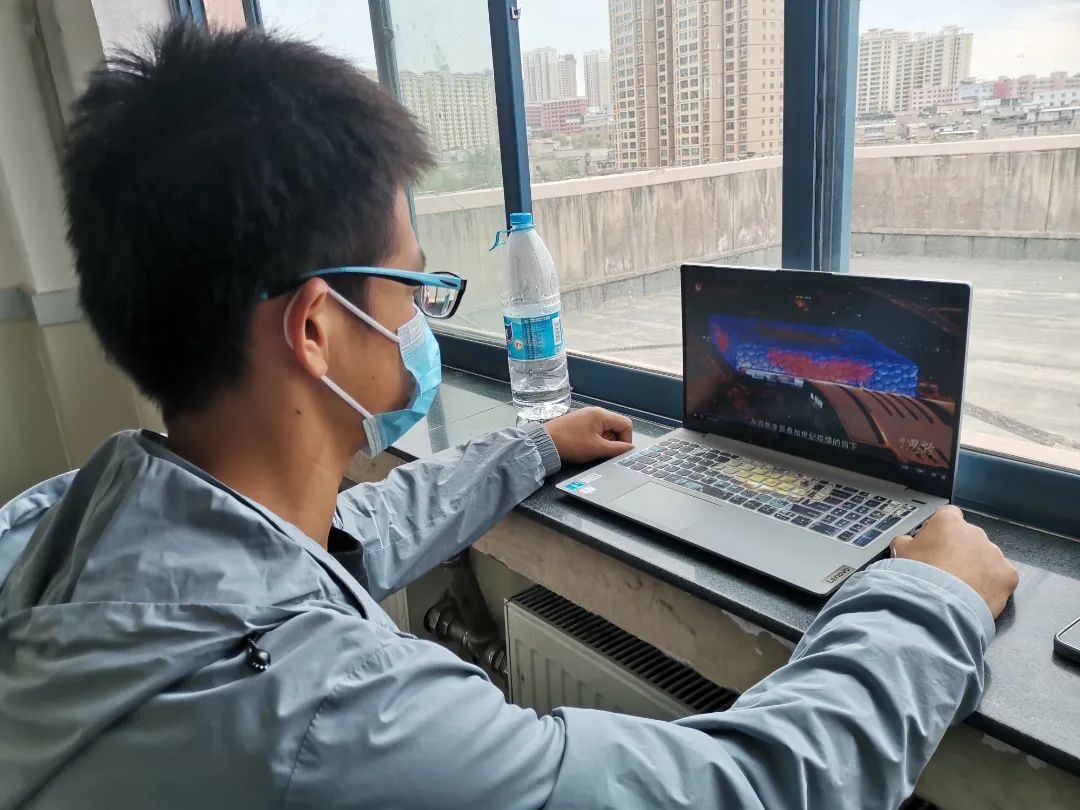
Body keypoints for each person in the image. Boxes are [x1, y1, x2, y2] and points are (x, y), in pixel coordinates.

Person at [0, 23, 1018, 810]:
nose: (421, 320)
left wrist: (531, 448)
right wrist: (932, 601)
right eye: (412, 290)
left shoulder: (71, 525)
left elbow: (337, 539)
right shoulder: (327, 724)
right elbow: (743, 791)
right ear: (315, 330)